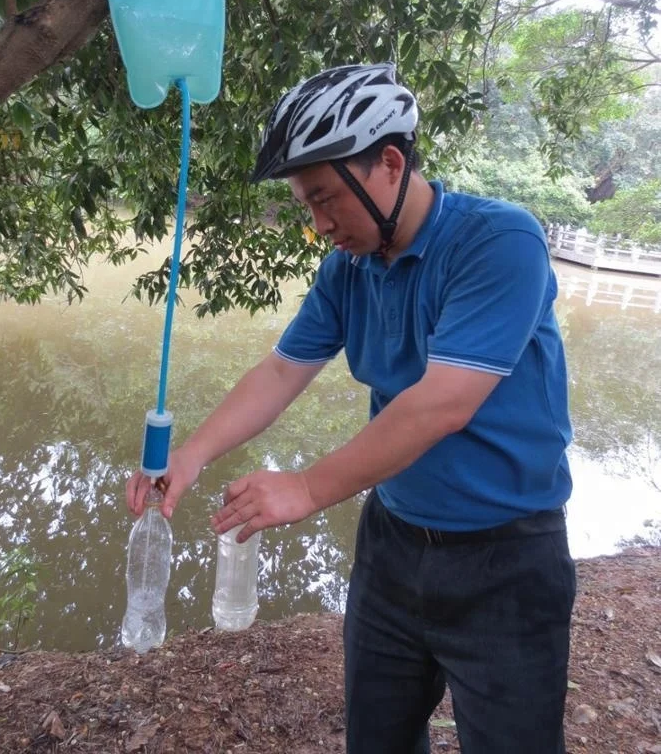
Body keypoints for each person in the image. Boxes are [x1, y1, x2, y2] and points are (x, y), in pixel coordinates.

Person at [126, 62, 576, 754]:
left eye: (326, 198)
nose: (318, 224)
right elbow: (281, 371)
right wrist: (189, 456)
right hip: (392, 549)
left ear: (389, 164)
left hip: (508, 560)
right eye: (307, 205)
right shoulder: (349, 267)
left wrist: (306, 487)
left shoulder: (499, 243)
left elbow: (441, 405)